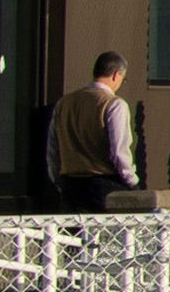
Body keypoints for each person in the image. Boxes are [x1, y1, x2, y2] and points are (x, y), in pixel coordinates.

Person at [52, 51, 143, 210]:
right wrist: (133, 183)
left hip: (70, 185)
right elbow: (119, 152)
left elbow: (52, 149)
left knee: (71, 234)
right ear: (116, 75)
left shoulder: (63, 103)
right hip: (103, 187)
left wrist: (58, 180)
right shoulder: (114, 104)